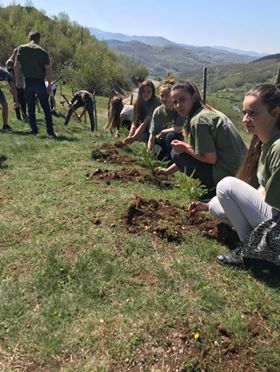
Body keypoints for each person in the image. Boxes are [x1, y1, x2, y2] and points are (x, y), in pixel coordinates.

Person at [189, 83, 280, 267]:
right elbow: (265, 189)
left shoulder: (278, 147)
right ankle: (254, 246)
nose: (246, 118)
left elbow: (275, 204)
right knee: (215, 205)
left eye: (253, 113)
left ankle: (252, 252)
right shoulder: (265, 142)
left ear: (275, 113)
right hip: (274, 218)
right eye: (245, 112)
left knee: (226, 185)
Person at [159, 80, 247, 199]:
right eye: (175, 102)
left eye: (183, 99)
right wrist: (167, 171)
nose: (179, 105)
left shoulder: (198, 121)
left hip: (228, 175)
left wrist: (185, 147)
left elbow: (210, 158)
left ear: (194, 97)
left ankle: (213, 190)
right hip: (242, 171)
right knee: (180, 151)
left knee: (176, 153)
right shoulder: (209, 112)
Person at [14, 31, 56, 136]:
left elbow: (16, 65)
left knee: (31, 108)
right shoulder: (42, 52)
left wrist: (17, 81)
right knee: (46, 108)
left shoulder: (22, 49)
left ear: (29, 38)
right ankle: (50, 132)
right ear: (39, 39)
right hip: (39, 82)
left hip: (27, 81)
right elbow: (48, 70)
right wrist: (49, 85)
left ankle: (34, 131)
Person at [147, 80, 185, 160]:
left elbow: (181, 128)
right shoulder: (158, 111)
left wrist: (164, 131)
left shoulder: (179, 109)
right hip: (161, 142)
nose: (164, 98)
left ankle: (174, 159)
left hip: (177, 142)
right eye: (161, 95)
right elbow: (152, 135)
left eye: (167, 95)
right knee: (156, 151)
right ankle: (165, 158)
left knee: (170, 136)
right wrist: (149, 151)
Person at [123, 80, 160, 145]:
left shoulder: (155, 102)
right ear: (140, 92)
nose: (146, 94)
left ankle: (152, 141)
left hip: (155, 129)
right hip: (144, 128)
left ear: (152, 92)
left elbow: (145, 122)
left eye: (148, 92)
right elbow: (134, 122)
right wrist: (130, 136)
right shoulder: (137, 103)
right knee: (141, 137)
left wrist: (133, 138)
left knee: (141, 137)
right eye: (144, 91)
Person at [6, 49, 27, 121]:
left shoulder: (16, 61)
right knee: (17, 100)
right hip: (15, 84)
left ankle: (24, 116)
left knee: (23, 101)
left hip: (20, 84)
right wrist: (12, 85)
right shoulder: (10, 62)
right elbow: (10, 75)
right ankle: (19, 117)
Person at [0, 66, 18, 131]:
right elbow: (13, 88)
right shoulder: (7, 74)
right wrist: (16, 102)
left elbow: (13, 88)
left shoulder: (8, 75)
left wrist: (16, 101)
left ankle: (5, 125)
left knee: (4, 105)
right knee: (4, 104)